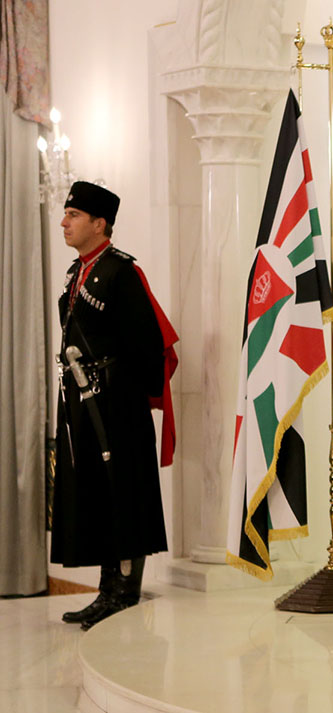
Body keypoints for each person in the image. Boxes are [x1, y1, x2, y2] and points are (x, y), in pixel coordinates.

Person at [52, 181, 177, 631]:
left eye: (73, 215)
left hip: (117, 405)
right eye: (66, 214)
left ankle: (125, 591)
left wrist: (120, 394)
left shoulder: (122, 273)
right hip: (83, 404)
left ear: (99, 223)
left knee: (122, 490)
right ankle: (106, 591)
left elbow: (147, 344)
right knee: (96, 492)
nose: (63, 222)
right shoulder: (77, 272)